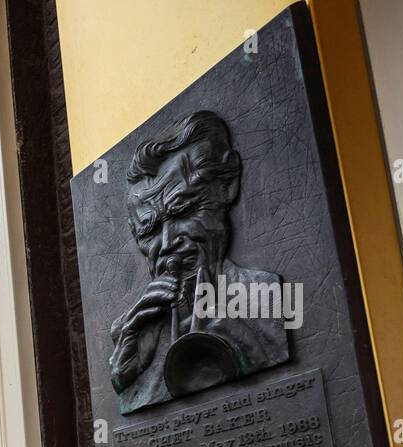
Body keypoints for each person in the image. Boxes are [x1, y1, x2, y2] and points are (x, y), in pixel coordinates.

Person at [109, 110, 288, 413]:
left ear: (227, 184)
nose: (167, 243)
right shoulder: (129, 333)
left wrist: (252, 348)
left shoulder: (269, 295)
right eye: (149, 230)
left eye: (183, 211)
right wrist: (131, 378)